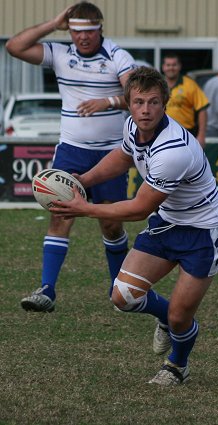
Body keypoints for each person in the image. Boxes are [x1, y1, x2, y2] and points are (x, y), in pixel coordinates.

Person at [50, 67, 218, 386]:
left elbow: (139, 208)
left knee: (180, 316)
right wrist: (84, 180)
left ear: (165, 103)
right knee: (122, 296)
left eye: (152, 102)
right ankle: (164, 319)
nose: (145, 110)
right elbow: (123, 156)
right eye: (138, 102)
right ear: (128, 103)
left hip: (205, 232)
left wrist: (84, 207)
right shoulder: (132, 127)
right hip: (167, 223)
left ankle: (177, 365)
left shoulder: (173, 150)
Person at [6, 1, 136, 312]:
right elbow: (14, 46)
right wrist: (53, 23)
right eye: (77, 32)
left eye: (89, 32)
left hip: (111, 153)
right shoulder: (60, 53)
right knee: (60, 214)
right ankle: (47, 290)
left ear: (99, 30)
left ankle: (118, 289)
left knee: (110, 223)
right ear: (71, 31)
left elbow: (135, 96)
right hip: (71, 150)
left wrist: (107, 102)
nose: (83, 38)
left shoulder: (117, 55)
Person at [162, 53, 209, 148]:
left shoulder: (190, 84)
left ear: (179, 66)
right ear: (163, 67)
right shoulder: (157, 84)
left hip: (185, 133)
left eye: (174, 65)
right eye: (168, 65)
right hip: (161, 132)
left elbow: (202, 109)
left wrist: (201, 135)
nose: (171, 68)